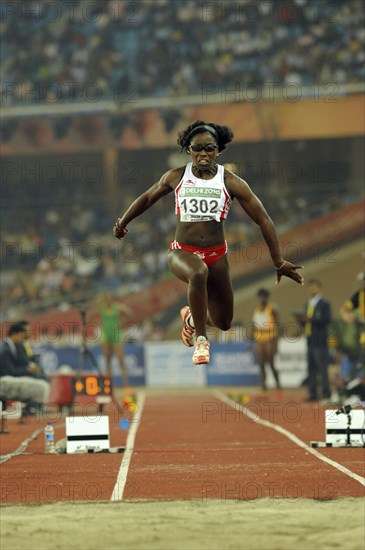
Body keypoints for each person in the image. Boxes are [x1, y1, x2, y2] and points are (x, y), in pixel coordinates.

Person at [113, 120, 304, 365]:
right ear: (188, 150)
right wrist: (122, 223)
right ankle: (201, 341)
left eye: (209, 148)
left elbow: (264, 220)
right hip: (182, 251)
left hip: (217, 254)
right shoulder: (176, 176)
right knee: (198, 272)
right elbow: (148, 197)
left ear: (218, 151)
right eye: (197, 148)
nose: (203, 154)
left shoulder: (231, 181)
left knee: (224, 322)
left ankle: (192, 319)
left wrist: (278, 260)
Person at [88, 291, 133, 389]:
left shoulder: (117, 307)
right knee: (108, 360)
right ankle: (109, 384)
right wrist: (95, 322)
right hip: (106, 335)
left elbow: (129, 313)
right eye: (106, 299)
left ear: (112, 299)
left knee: (121, 360)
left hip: (116, 334)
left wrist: (123, 323)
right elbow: (90, 316)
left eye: (109, 298)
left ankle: (126, 384)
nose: (108, 300)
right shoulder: (101, 308)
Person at [0, 323, 50, 405]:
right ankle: (33, 406)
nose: (23, 339)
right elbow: (9, 372)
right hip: (4, 380)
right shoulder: (5, 349)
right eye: (21, 336)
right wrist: (27, 370)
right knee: (39, 384)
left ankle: (33, 406)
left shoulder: (12, 347)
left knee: (38, 377)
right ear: (15, 334)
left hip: (8, 377)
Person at [299, 279, 332, 401]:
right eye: (310, 287)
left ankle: (326, 394)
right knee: (311, 368)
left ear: (319, 288)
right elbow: (307, 322)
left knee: (322, 368)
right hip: (310, 340)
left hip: (320, 340)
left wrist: (310, 319)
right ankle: (312, 394)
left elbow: (327, 320)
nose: (311, 289)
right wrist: (301, 321)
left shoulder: (325, 304)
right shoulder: (307, 304)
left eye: (314, 287)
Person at [252, 288, 281, 396]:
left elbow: (278, 324)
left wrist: (277, 341)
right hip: (259, 339)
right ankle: (263, 387)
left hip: (270, 339)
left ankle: (278, 385)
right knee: (261, 364)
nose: (261, 299)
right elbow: (253, 325)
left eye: (263, 297)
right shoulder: (255, 309)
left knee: (271, 363)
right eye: (260, 297)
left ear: (267, 298)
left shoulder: (272, 309)